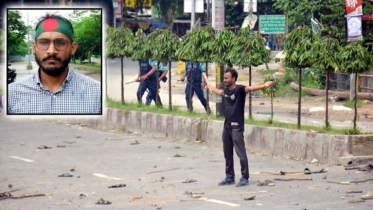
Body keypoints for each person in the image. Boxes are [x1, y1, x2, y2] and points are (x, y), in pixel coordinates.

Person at [7, 14, 101, 114]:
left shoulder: (96, 93)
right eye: (43, 42)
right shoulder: (12, 93)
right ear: (34, 47)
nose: (51, 51)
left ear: (73, 48)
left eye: (60, 43)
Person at [206, 68, 273, 187]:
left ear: (233, 79)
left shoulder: (240, 90)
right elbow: (220, 93)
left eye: (226, 78)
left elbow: (250, 88)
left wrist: (264, 85)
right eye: (224, 78)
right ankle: (229, 177)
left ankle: (245, 177)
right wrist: (211, 88)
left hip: (237, 127)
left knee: (240, 153)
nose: (224, 80)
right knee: (227, 153)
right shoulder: (226, 91)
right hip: (227, 127)